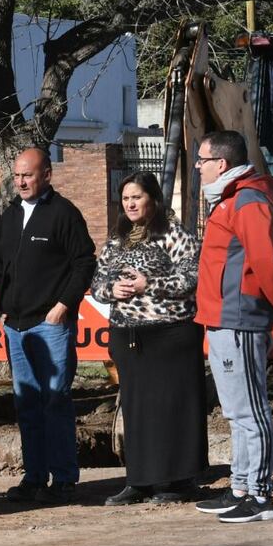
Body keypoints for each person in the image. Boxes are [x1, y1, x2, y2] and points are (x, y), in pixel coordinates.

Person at [192, 130, 273, 523]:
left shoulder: (248, 201)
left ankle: (260, 495)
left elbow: (269, 262)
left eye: (201, 160)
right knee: (237, 412)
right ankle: (240, 487)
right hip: (223, 319)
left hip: (239, 319)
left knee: (251, 410)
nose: (198, 167)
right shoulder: (230, 200)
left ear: (221, 163)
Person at [90, 171, 207, 507]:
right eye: (126, 198)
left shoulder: (174, 233)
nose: (130, 203)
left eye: (136, 197)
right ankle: (139, 480)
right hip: (130, 336)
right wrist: (110, 289)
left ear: (153, 199)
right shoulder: (117, 241)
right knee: (138, 410)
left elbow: (193, 275)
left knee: (172, 408)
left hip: (170, 335)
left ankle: (177, 480)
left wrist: (150, 285)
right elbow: (96, 283)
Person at [0, 147, 96, 504]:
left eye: (28, 175)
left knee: (55, 401)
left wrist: (63, 307)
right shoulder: (9, 215)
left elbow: (84, 263)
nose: (20, 181)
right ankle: (34, 476)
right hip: (15, 328)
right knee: (27, 403)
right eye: (17, 175)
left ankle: (64, 478)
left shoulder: (63, 214)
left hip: (49, 325)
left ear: (46, 175)